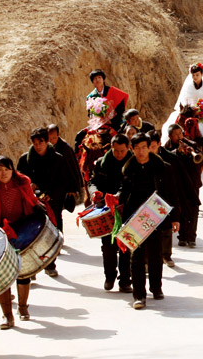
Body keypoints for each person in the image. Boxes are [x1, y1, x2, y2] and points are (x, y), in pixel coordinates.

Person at [0, 156, 44, 329]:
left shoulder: (22, 184)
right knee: (2, 276)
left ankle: (23, 308)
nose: (3, 173)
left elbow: (31, 201)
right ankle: (7, 316)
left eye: (6, 169)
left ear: (12, 170)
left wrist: (37, 206)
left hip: (22, 231)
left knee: (23, 271)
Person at [118, 133, 180, 309]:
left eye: (144, 147)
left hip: (156, 215)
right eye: (137, 148)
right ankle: (139, 295)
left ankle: (156, 287)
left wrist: (175, 218)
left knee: (155, 253)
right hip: (135, 215)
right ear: (133, 149)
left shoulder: (162, 167)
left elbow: (172, 193)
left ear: (149, 147)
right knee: (136, 256)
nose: (140, 151)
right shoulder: (128, 169)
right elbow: (124, 191)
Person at [17, 127, 74, 277]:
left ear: (47, 141)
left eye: (41, 142)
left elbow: (63, 182)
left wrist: (50, 194)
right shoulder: (25, 160)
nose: (38, 146)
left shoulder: (58, 159)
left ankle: (50, 264)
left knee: (52, 230)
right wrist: (30, 187)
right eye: (35, 143)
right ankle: (31, 266)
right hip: (32, 202)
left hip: (52, 200)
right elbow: (19, 180)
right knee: (31, 233)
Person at [87, 134, 134, 293]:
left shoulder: (133, 163)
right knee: (108, 246)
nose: (119, 154)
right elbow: (92, 182)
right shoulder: (102, 163)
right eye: (116, 151)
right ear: (111, 148)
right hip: (106, 210)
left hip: (127, 208)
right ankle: (109, 275)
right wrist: (94, 192)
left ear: (128, 148)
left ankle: (125, 280)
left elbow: (132, 184)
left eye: (122, 151)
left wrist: (119, 196)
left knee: (126, 245)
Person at [161, 63, 203, 144]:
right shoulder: (188, 86)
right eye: (193, 75)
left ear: (202, 74)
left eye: (197, 75)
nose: (195, 77)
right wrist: (189, 109)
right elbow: (185, 100)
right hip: (190, 110)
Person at [163, 125, 203, 247]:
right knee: (181, 210)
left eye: (180, 133)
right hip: (178, 183)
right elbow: (166, 161)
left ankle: (191, 237)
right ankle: (182, 236)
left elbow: (201, 159)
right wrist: (178, 152)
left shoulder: (192, 144)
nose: (180, 136)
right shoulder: (167, 148)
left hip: (192, 182)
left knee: (193, 209)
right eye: (176, 134)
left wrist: (191, 153)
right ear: (170, 136)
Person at [48, 123, 83, 210]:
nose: (52, 140)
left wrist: (72, 188)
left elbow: (72, 168)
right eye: (49, 138)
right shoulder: (49, 147)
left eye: (54, 138)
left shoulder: (65, 148)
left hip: (66, 183)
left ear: (58, 135)